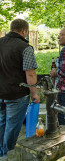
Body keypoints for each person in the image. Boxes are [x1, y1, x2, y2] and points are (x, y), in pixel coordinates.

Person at [0, 19, 40, 157]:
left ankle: (1, 152)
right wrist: (34, 93)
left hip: (1, 92)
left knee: (1, 123)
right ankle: (7, 154)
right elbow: (30, 72)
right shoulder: (25, 47)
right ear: (24, 31)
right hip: (17, 94)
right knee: (12, 126)